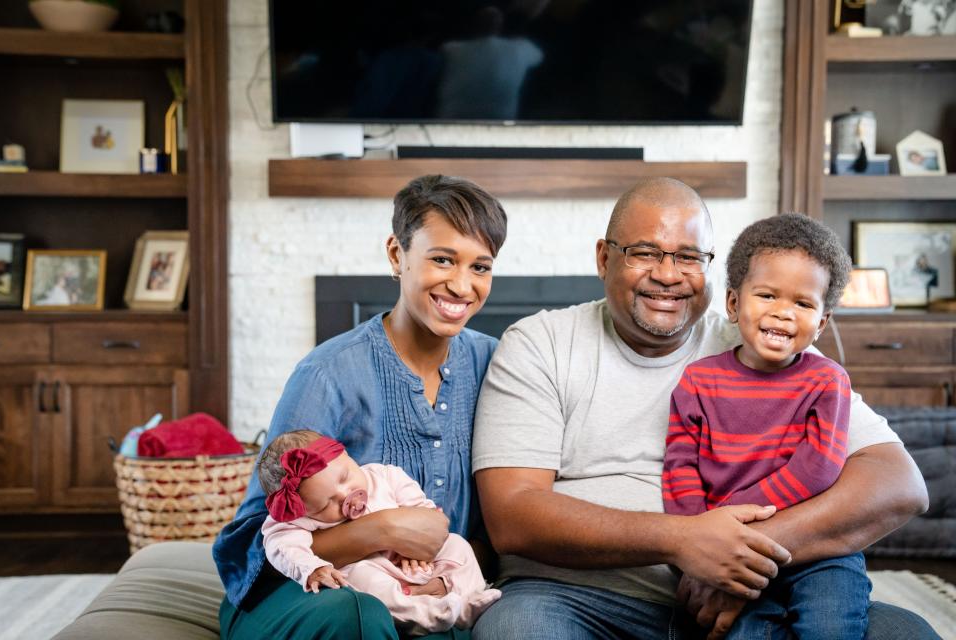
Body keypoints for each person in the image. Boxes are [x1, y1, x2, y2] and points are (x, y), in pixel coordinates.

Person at [471, 177, 937, 639]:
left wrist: (738, 557)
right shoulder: (541, 343)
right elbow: (513, 516)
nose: (669, 275)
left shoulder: (762, 338)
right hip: (576, 599)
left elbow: (900, 484)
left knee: (907, 633)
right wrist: (684, 541)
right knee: (516, 628)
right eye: (646, 252)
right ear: (604, 258)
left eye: (689, 257)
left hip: (753, 596)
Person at [213, 174, 508, 639]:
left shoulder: (496, 364)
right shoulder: (328, 374)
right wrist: (383, 529)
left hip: (429, 589)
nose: (461, 285)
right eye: (442, 260)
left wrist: (442, 575)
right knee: (362, 616)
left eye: (481, 267)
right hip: (311, 591)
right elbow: (254, 540)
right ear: (397, 254)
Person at [662, 213, 869, 639]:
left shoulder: (826, 380)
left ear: (822, 322)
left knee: (830, 627)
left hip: (818, 552)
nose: (784, 313)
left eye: (803, 304)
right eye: (768, 295)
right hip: (732, 554)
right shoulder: (700, 381)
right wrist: (696, 542)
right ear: (735, 304)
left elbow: (819, 468)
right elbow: (680, 466)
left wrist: (734, 518)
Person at [259, 430, 501, 636]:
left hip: (418, 559)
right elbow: (281, 545)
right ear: (302, 510)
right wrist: (310, 568)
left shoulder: (384, 476)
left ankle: (469, 599)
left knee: (457, 545)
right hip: (372, 567)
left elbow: (420, 507)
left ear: (347, 455)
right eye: (326, 505)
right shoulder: (299, 520)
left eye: (345, 476)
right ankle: (429, 614)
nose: (346, 495)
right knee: (363, 579)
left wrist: (419, 538)